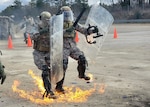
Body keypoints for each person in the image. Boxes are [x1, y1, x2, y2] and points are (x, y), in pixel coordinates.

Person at [55, 6, 98, 93]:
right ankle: (59, 87)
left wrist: (91, 31)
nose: (67, 17)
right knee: (63, 65)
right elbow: (53, 34)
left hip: (72, 46)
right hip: (62, 47)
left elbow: (83, 30)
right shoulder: (56, 23)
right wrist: (65, 31)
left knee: (82, 58)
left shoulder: (73, 23)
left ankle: (81, 74)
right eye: (65, 15)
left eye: (68, 15)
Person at [32, 11, 56, 99]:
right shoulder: (36, 26)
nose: (47, 22)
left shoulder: (53, 27)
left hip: (49, 52)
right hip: (39, 53)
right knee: (45, 70)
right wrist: (42, 32)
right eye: (45, 20)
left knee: (53, 70)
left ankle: (54, 87)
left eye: (48, 20)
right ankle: (49, 91)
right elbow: (32, 36)